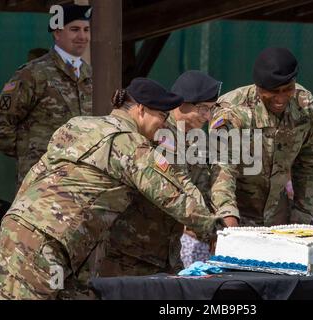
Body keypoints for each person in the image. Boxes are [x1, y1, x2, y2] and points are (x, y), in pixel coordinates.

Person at [0, 78, 228, 300]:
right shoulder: (131, 144)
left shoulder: (78, 125)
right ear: (141, 110)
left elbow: (37, 174)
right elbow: (173, 195)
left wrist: (21, 215)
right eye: (162, 116)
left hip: (23, 226)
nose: (163, 124)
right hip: (51, 239)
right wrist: (219, 231)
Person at [99, 71, 239, 277]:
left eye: (211, 110)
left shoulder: (196, 139)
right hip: (131, 247)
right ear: (182, 104)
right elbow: (179, 185)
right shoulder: (156, 131)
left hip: (167, 250)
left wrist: (224, 215)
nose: (208, 116)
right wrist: (213, 229)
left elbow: (205, 184)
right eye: (202, 108)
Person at [209, 47, 313, 226]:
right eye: (273, 91)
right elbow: (222, 170)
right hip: (237, 214)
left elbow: (308, 162)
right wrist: (227, 224)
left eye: (288, 89)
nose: (281, 98)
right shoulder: (232, 111)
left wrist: (302, 215)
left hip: (279, 215)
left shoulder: (305, 106)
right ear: (259, 87)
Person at [0, 4, 93, 189]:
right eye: (74, 29)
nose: (82, 36)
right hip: (42, 183)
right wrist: (30, 154)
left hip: (82, 179)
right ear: (57, 33)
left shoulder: (92, 74)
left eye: (86, 30)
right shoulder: (33, 73)